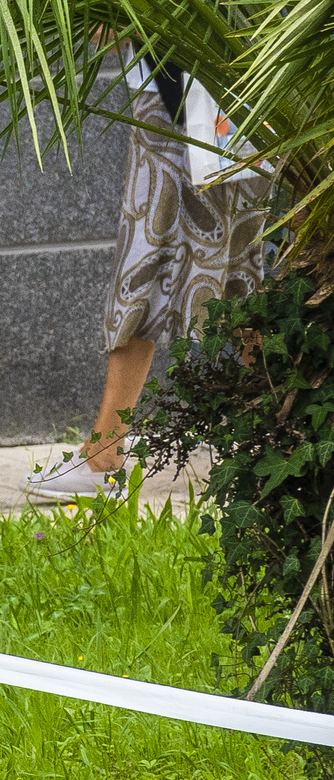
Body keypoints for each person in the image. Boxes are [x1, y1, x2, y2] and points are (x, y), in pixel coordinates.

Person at [28, 58, 268, 503]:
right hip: (218, 92)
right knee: (231, 274)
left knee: (160, 263)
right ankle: (290, 425)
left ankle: (103, 455)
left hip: (192, 96)